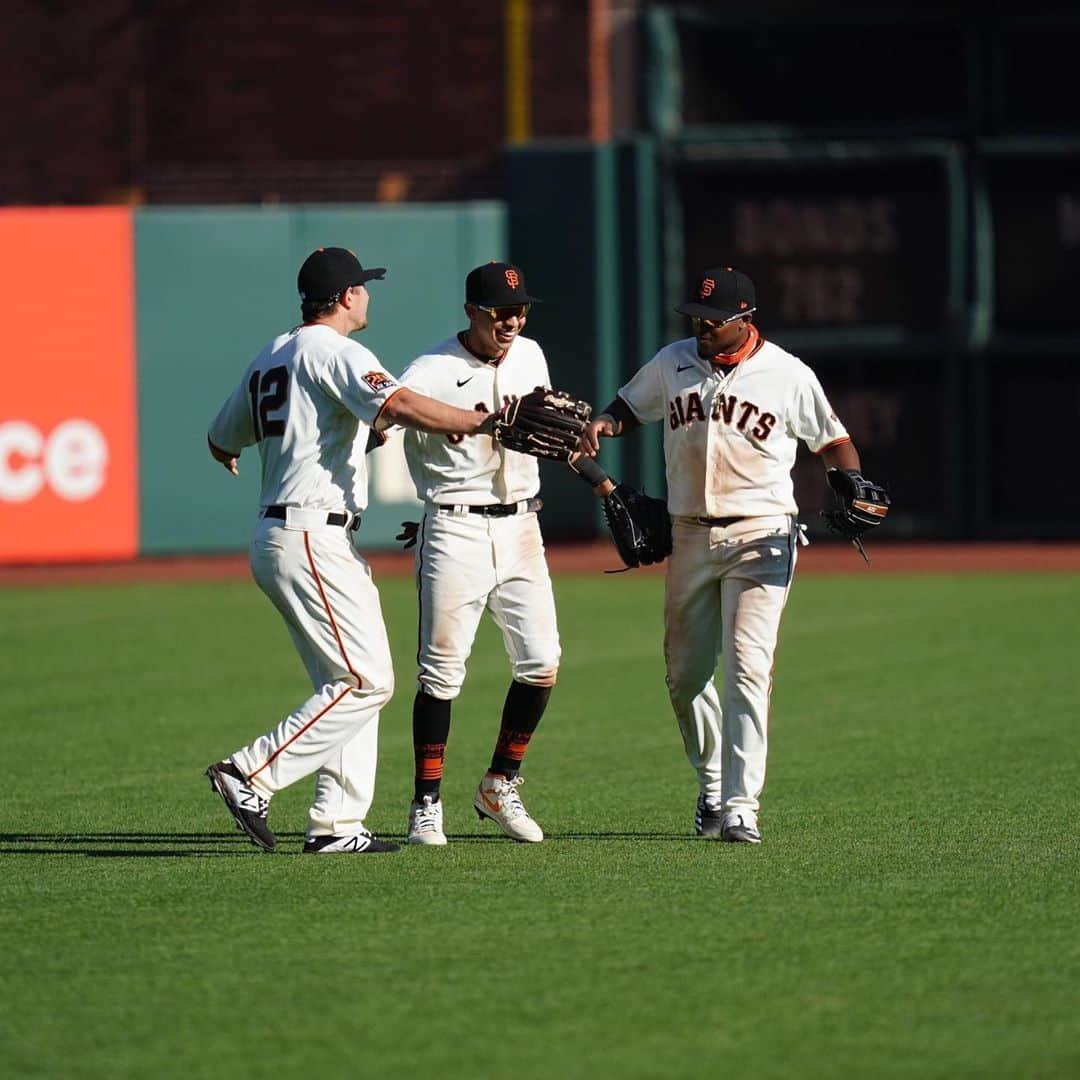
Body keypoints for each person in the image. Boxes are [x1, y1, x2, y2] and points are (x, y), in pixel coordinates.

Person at [204, 246, 501, 855]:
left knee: (347, 682)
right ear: (343, 298)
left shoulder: (274, 352)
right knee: (366, 682)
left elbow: (221, 438)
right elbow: (400, 405)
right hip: (311, 533)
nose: (368, 295)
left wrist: (278, 450)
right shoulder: (335, 350)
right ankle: (249, 774)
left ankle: (337, 824)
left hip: (289, 530)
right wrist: (480, 422)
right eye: (363, 287)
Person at [580, 267, 868, 844]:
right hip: (688, 534)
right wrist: (606, 422)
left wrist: (851, 479)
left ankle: (740, 806)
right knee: (684, 677)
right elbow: (629, 406)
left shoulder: (786, 374)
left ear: (745, 320)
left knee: (747, 668)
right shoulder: (673, 361)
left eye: (713, 321)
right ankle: (710, 780)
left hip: (763, 534)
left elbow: (832, 439)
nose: (701, 327)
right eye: (696, 318)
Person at [394, 261, 560, 845]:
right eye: (499, 312)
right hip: (454, 527)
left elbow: (546, 433)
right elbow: (380, 421)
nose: (511, 320)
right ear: (471, 312)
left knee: (541, 662)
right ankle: (426, 803)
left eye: (519, 310)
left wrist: (601, 482)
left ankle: (499, 783)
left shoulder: (532, 355)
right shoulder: (433, 368)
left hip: (522, 526)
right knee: (441, 674)